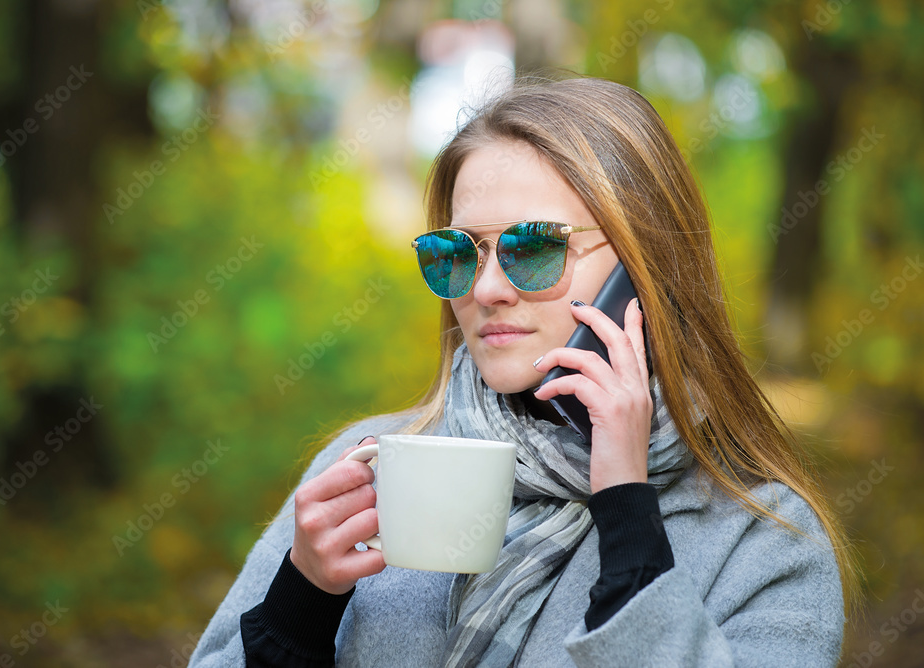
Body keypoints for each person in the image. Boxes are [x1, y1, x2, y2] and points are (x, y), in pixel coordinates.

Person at [188, 75, 858, 667]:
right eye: (457, 252)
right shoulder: (365, 479)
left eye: (533, 248)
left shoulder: (766, 541)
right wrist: (299, 607)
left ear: (644, 270)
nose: (484, 289)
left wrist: (629, 522)